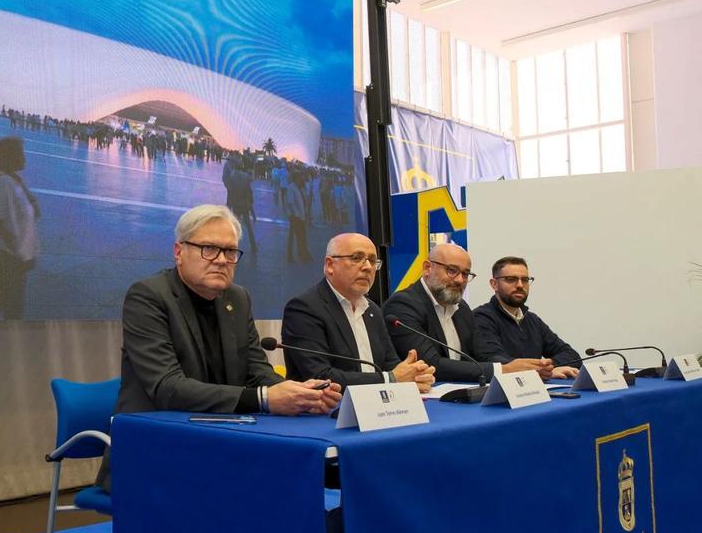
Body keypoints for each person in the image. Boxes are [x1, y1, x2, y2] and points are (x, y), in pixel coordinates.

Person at [101, 204, 342, 486]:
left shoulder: (237, 298)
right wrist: (265, 398)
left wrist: (299, 394)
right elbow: (168, 388)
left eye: (230, 252)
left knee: (307, 477)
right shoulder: (148, 297)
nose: (221, 260)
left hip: (223, 439)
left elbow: (256, 371)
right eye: (208, 249)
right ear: (179, 252)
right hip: (156, 446)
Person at [281, 232, 436, 392]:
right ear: (330, 265)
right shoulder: (304, 308)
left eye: (372, 260)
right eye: (356, 258)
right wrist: (390, 379)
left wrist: (414, 376)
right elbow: (320, 377)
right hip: (326, 410)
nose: (367, 267)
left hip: (378, 407)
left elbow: (390, 364)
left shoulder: (372, 310)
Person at [383, 243, 555, 382]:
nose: (459, 280)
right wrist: (504, 369)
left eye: (465, 274)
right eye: (452, 271)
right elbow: (431, 364)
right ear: (428, 268)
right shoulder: (403, 305)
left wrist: (531, 367)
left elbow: (482, 354)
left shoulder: (461, 308)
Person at [471, 256, 581, 379]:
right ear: (494, 284)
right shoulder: (481, 317)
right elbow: (495, 361)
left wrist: (548, 368)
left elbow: (572, 355)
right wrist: (541, 371)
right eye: (511, 279)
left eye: (525, 280)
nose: (520, 285)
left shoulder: (533, 320)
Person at [0, 137, 38, 319]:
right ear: (9, 157)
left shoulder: (14, 180)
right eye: (20, 154)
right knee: (12, 307)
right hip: (6, 256)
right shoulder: (2, 184)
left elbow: (31, 207)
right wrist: (19, 253)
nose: (24, 158)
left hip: (12, 255)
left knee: (4, 302)